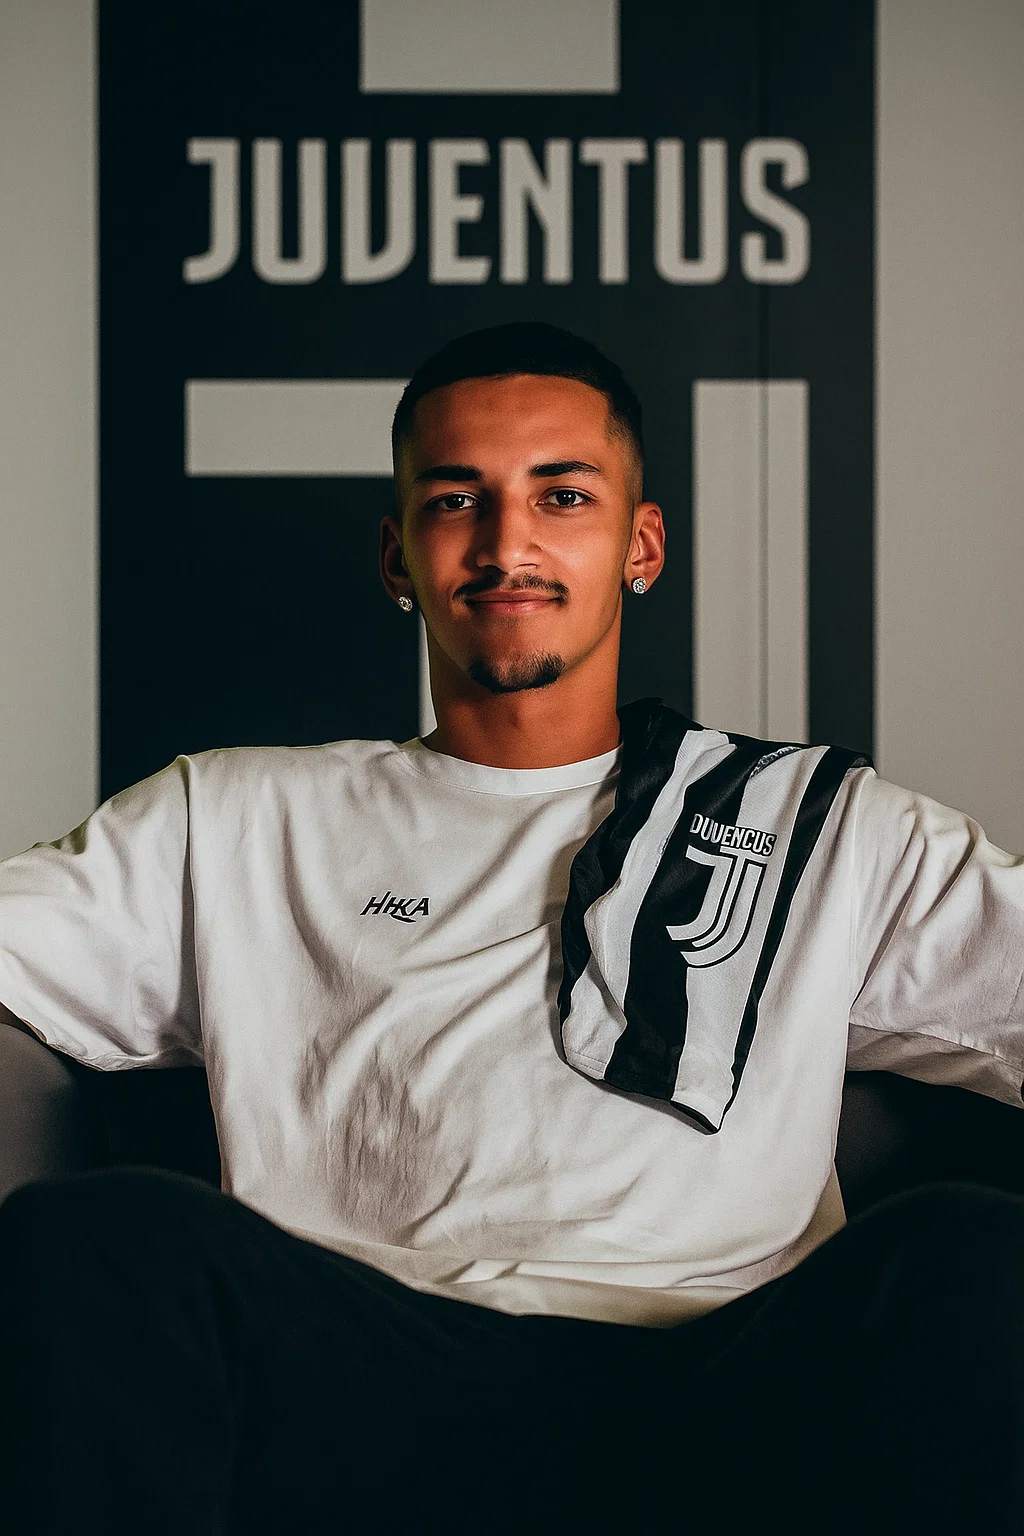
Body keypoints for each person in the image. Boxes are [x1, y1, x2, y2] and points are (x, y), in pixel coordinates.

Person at [0, 322, 1021, 1536]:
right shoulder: (231, 814)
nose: (505, 543)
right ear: (398, 553)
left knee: (969, 1254)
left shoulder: (818, 821)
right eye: (455, 500)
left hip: (731, 1382)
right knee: (94, 1237)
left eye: (562, 495)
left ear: (640, 545)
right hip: (357, 1372)